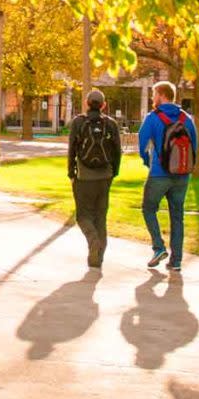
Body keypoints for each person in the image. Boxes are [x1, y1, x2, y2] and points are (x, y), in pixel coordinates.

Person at [138, 80, 199, 272]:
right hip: (182, 175)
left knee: (148, 208)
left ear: (162, 95)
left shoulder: (153, 117)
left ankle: (158, 247)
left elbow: (142, 142)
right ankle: (176, 261)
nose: (152, 98)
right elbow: (194, 145)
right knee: (177, 216)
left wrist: (148, 161)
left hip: (159, 174)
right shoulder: (186, 118)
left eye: (154, 94)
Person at [67, 88, 122, 268]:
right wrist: (114, 172)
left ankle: (93, 242)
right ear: (104, 105)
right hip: (105, 176)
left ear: (86, 103)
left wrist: (71, 173)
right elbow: (117, 152)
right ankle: (97, 259)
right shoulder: (111, 124)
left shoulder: (78, 122)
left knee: (83, 216)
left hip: (84, 176)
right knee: (100, 217)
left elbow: (72, 150)